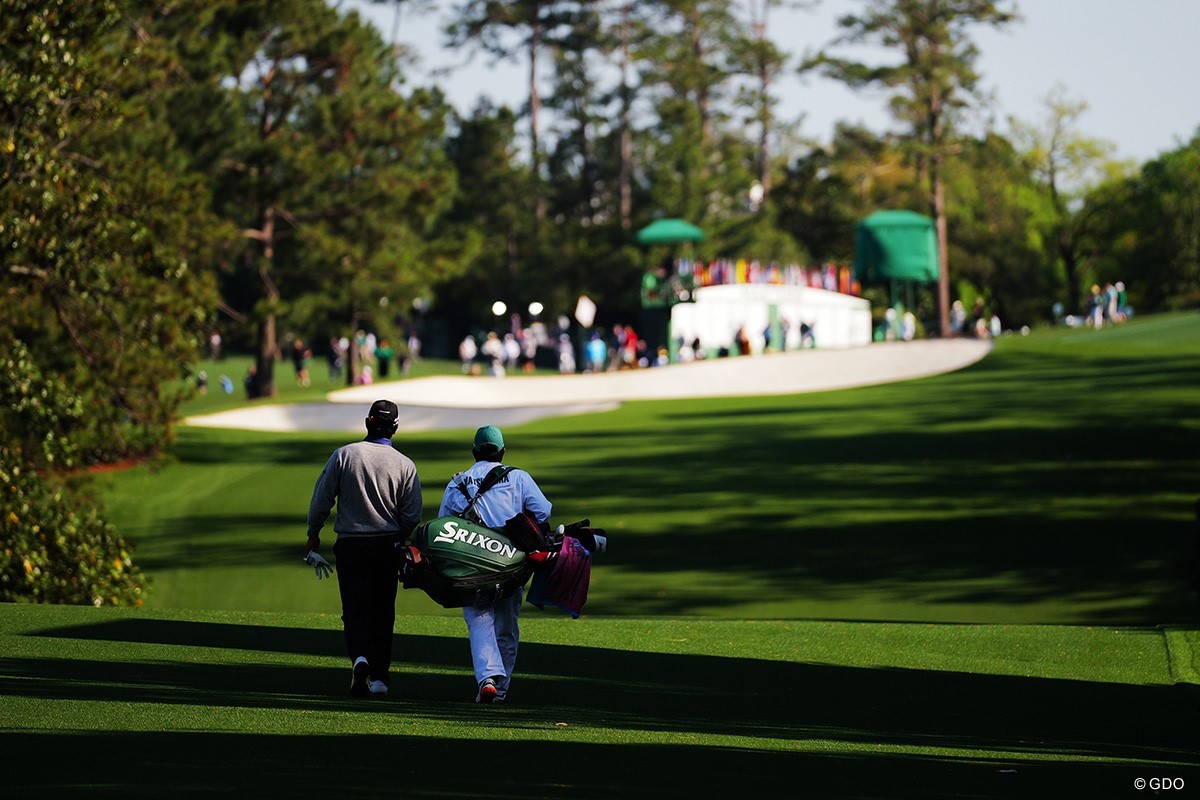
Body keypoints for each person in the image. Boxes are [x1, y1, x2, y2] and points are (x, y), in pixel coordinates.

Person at [305, 399, 423, 698]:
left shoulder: (345, 455)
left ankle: (360, 658)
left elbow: (322, 499)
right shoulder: (405, 465)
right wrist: (401, 537)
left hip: (351, 544)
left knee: (355, 610)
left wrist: (313, 533)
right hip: (387, 545)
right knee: (383, 613)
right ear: (394, 428)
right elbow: (412, 515)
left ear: (368, 422)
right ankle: (381, 679)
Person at [438, 425, 551, 704]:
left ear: (474, 452)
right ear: (502, 451)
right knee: (507, 625)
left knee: (479, 620)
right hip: (510, 563)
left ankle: (487, 679)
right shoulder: (518, 477)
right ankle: (500, 689)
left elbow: (444, 524)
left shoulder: (458, 482)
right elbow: (544, 511)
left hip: (472, 565)